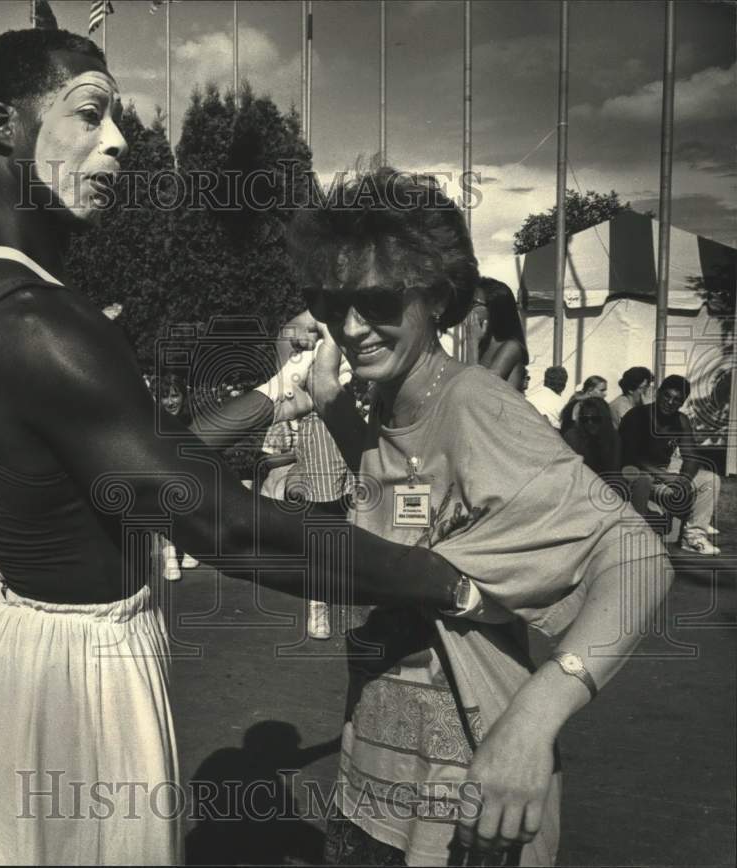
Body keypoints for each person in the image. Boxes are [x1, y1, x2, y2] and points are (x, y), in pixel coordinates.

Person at [0, 29, 469, 866]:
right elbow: (220, 526)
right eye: (90, 115)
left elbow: (141, 459)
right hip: (82, 666)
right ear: (4, 126)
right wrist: (438, 581)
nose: (119, 141)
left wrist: (279, 393)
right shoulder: (38, 322)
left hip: (27, 645)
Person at [288, 167, 671, 866]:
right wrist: (332, 404)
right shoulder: (389, 404)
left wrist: (535, 721)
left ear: (435, 297)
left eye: (374, 300)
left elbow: (640, 556)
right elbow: (409, 487)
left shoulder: (476, 404)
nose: (348, 327)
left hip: (469, 787)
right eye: (330, 301)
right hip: (377, 775)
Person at [619, 375, 722, 556]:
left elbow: (691, 456)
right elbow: (631, 455)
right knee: (666, 492)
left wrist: (684, 479)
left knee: (711, 479)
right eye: (667, 396)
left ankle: (693, 538)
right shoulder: (637, 416)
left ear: (682, 403)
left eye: (677, 400)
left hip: (665, 471)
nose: (670, 402)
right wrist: (666, 478)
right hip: (638, 474)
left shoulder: (681, 420)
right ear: (658, 394)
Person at [152, 373, 199, 579]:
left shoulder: (193, 420)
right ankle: (169, 556)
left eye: (174, 395)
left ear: (183, 396)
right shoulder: (153, 421)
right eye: (165, 397)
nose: (171, 402)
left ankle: (191, 547)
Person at [472, 277, 528, 389]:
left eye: (474, 303)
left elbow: (482, 388)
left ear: (494, 309)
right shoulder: (482, 343)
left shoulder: (512, 347)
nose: (468, 308)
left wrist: (473, 343)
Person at [562, 397, 621, 480]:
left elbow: (614, 472)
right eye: (585, 419)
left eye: (595, 419)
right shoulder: (573, 436)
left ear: (604, 418)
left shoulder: (613, 436)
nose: (590, 423)